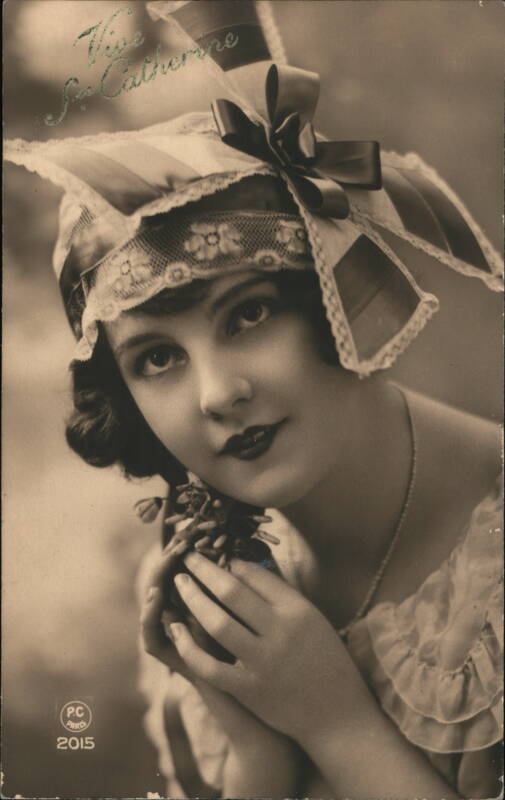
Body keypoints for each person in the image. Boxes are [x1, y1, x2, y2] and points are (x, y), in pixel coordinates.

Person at [5, 3, 503, 796]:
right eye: (157, 357)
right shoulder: (212, 577)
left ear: (338, 297)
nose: (218, 394)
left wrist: (333, 724)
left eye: (249, 313)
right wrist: (257, 755)